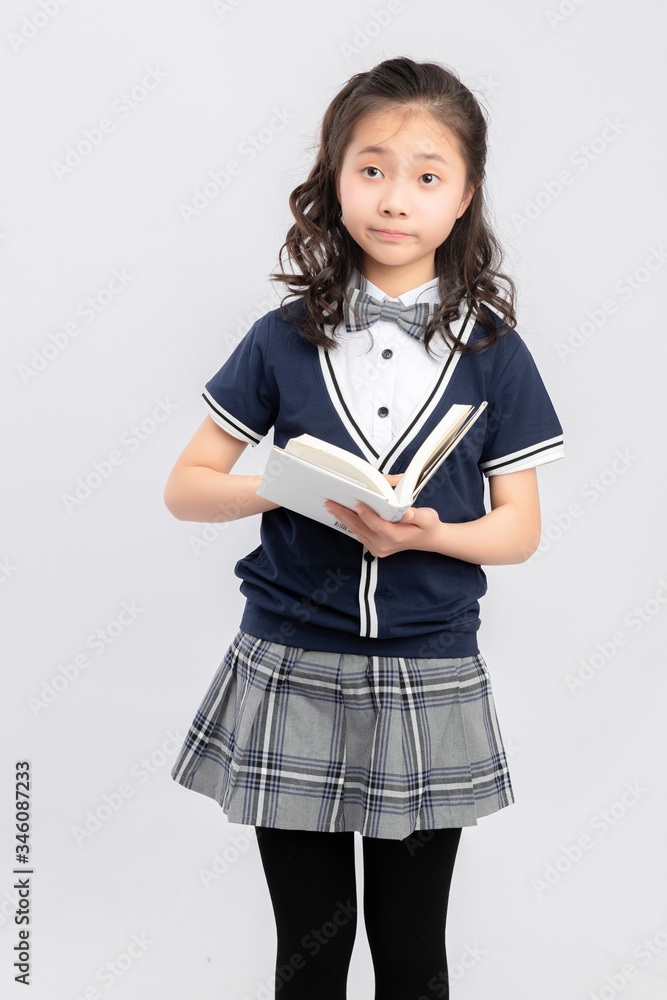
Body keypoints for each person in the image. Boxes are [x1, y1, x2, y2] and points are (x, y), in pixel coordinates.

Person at [164, 56, 564, 1000]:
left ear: (464, 196)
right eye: (372, 168)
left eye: (427, 175)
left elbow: (518, 533)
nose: (395, 197)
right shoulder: (281, 336)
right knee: (308, 951)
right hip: (290, 665)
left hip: (428, 670)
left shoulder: (495, 356)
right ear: (333, 179)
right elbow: (187, 487)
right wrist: (279, 484)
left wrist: (427, 534)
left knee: (413, 957)